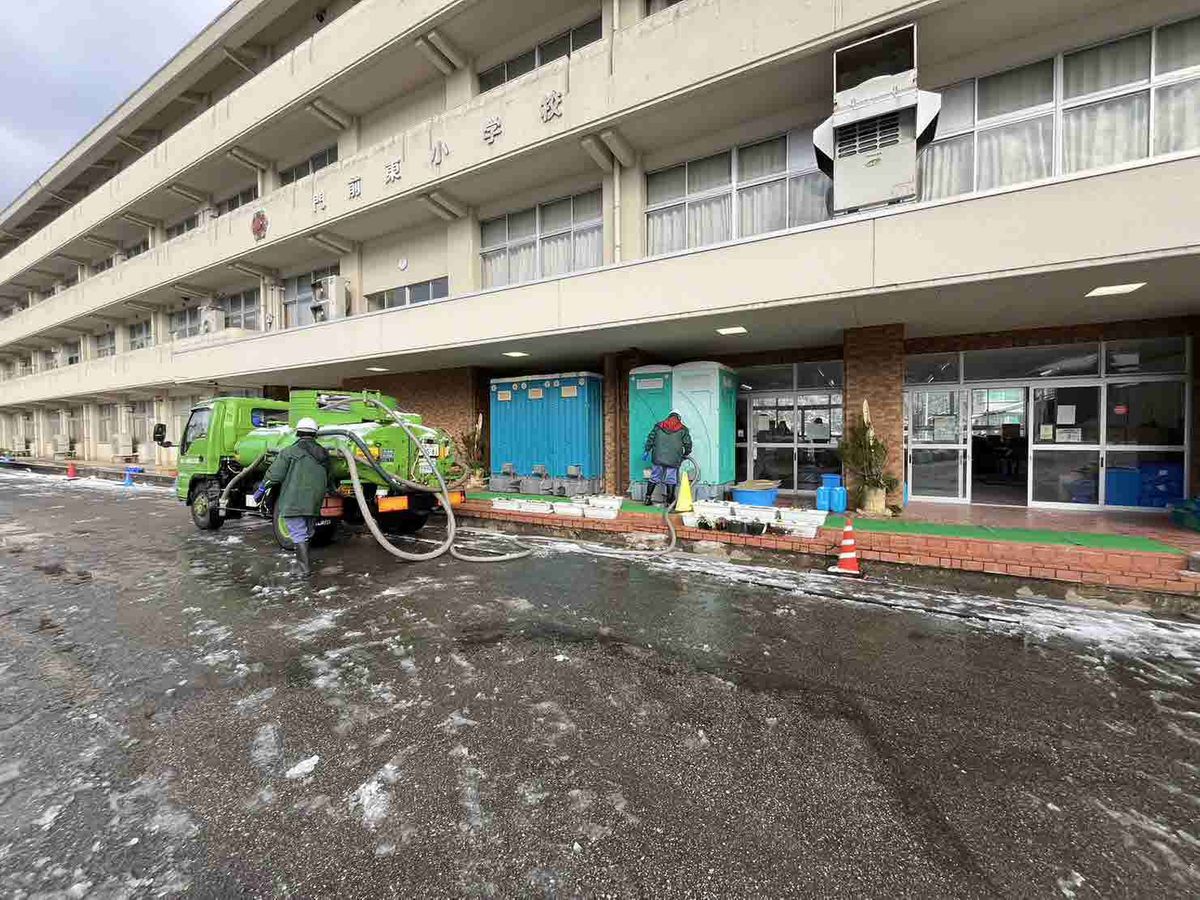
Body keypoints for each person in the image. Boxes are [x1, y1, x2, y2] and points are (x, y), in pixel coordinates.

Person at [253, 418, 335, 575]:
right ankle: (302, 564)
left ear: (298, 432)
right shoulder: (324, 453)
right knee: (307, 532)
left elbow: (275, 474)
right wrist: (332, 490)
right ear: (315, 433)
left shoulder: (289, 452)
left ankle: (303, 568)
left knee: (298, 533)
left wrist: (262, 489)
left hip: (293, 500)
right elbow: (329, 476)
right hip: (314, 502)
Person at [643, 410, 692, 507]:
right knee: (671, 479)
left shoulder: (658, 426)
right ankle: (670, 502)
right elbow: (688, 443)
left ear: (668, 416)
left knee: (654, 477)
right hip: (673, 458)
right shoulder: (683, 429)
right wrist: (686, 453)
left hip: (658, 457)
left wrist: (647, 450)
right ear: (679, 418)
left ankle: (647, 498)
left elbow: (650, 438)